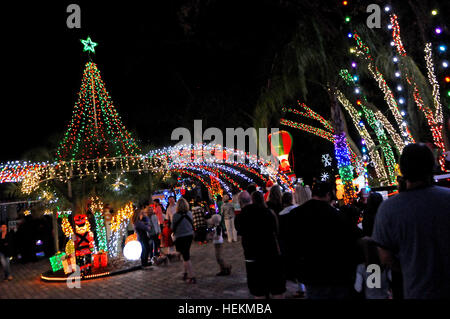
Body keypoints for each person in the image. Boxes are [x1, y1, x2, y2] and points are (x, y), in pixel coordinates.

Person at [372, 143, 450, 299]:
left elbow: (385, 256)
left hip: (416, 289)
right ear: (431, 166)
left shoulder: (389, 209)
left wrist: (410, 266)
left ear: (403, 169)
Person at [286, 182, 359, 299]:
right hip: (336, 273)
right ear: (328, 195)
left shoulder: (295, 214)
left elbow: (290, 244)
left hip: (310, 273)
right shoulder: (336, 215)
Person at [235, 191, 286, 299]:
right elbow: (276, 231)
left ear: (240, 202)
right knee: (277, 290)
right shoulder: (267, 212)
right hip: (272, 255)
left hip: (253, 259)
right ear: (251, 200)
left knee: (259, 292)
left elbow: (240, 232)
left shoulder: (240, 217)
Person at [278, 192, 303, 298]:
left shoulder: (282, 215)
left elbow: (281, 232)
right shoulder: (299, 209)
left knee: (296, 266)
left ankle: (301, 288)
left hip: (290, 243)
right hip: (301, 240)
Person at [172, 198, 196, 284]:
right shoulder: (189, 213)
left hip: (180, 237)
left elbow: (172, 227)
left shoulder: (175, 216)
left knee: (186, 257)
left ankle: (192, 276)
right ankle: (185, 273)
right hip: (189, 236)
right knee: (185, 254)